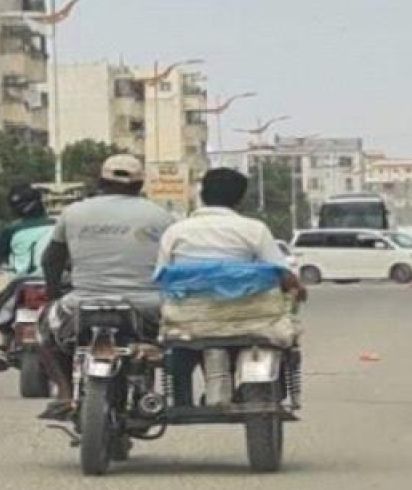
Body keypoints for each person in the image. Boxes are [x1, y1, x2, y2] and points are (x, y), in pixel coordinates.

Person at [37, 154, 175, 420]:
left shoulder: (73, 212)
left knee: (44, 331)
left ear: (101, 181)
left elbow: (51, 259)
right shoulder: (161, 216)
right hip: (148, 308)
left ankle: (65, 393)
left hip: (82, 305)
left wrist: (53, 295)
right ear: (139, 185)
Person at [156, 168, 306, 405]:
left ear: (201, 194)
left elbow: (163, 277)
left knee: (179, 348)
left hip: (191, 321)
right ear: (240, 199)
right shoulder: (254, 230)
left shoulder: (176, 232)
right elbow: (282, 274)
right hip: (248, 320)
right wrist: (297, 289)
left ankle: (181, 401)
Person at [0, 184, 55, 372]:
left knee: (4, 312)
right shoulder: (56, 226)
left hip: (21, 283)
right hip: (54, 280)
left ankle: (5, 346)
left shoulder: (10, 231)